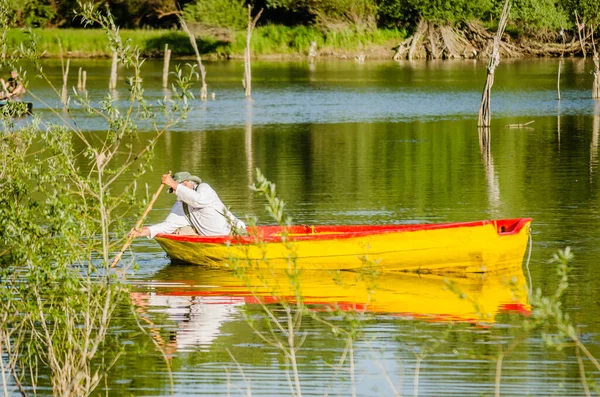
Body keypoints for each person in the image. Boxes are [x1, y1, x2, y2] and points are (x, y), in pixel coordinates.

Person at [130, 171, 246, 238]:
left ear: (187, 184)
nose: (175, 192)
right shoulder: (181, 204)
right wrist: (144, 231)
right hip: (211, 239)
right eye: (173, 190)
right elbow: (167, 225)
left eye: (175, 189)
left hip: (234, 233)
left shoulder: (204, 188)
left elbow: (197, 200)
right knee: (179, 230)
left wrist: (173, 184)